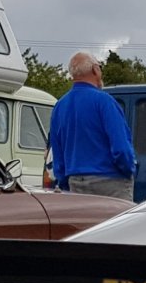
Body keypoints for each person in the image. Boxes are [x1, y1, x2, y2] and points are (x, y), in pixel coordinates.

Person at [49, 52, 136, 200]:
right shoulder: (105, 102)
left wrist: (64, 182)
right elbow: (121, 147)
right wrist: (129, 170)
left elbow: (57, 155)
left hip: (75, 182)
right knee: (119, 216)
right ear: (95, 70)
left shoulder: (59, 106)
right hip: (111, 183)